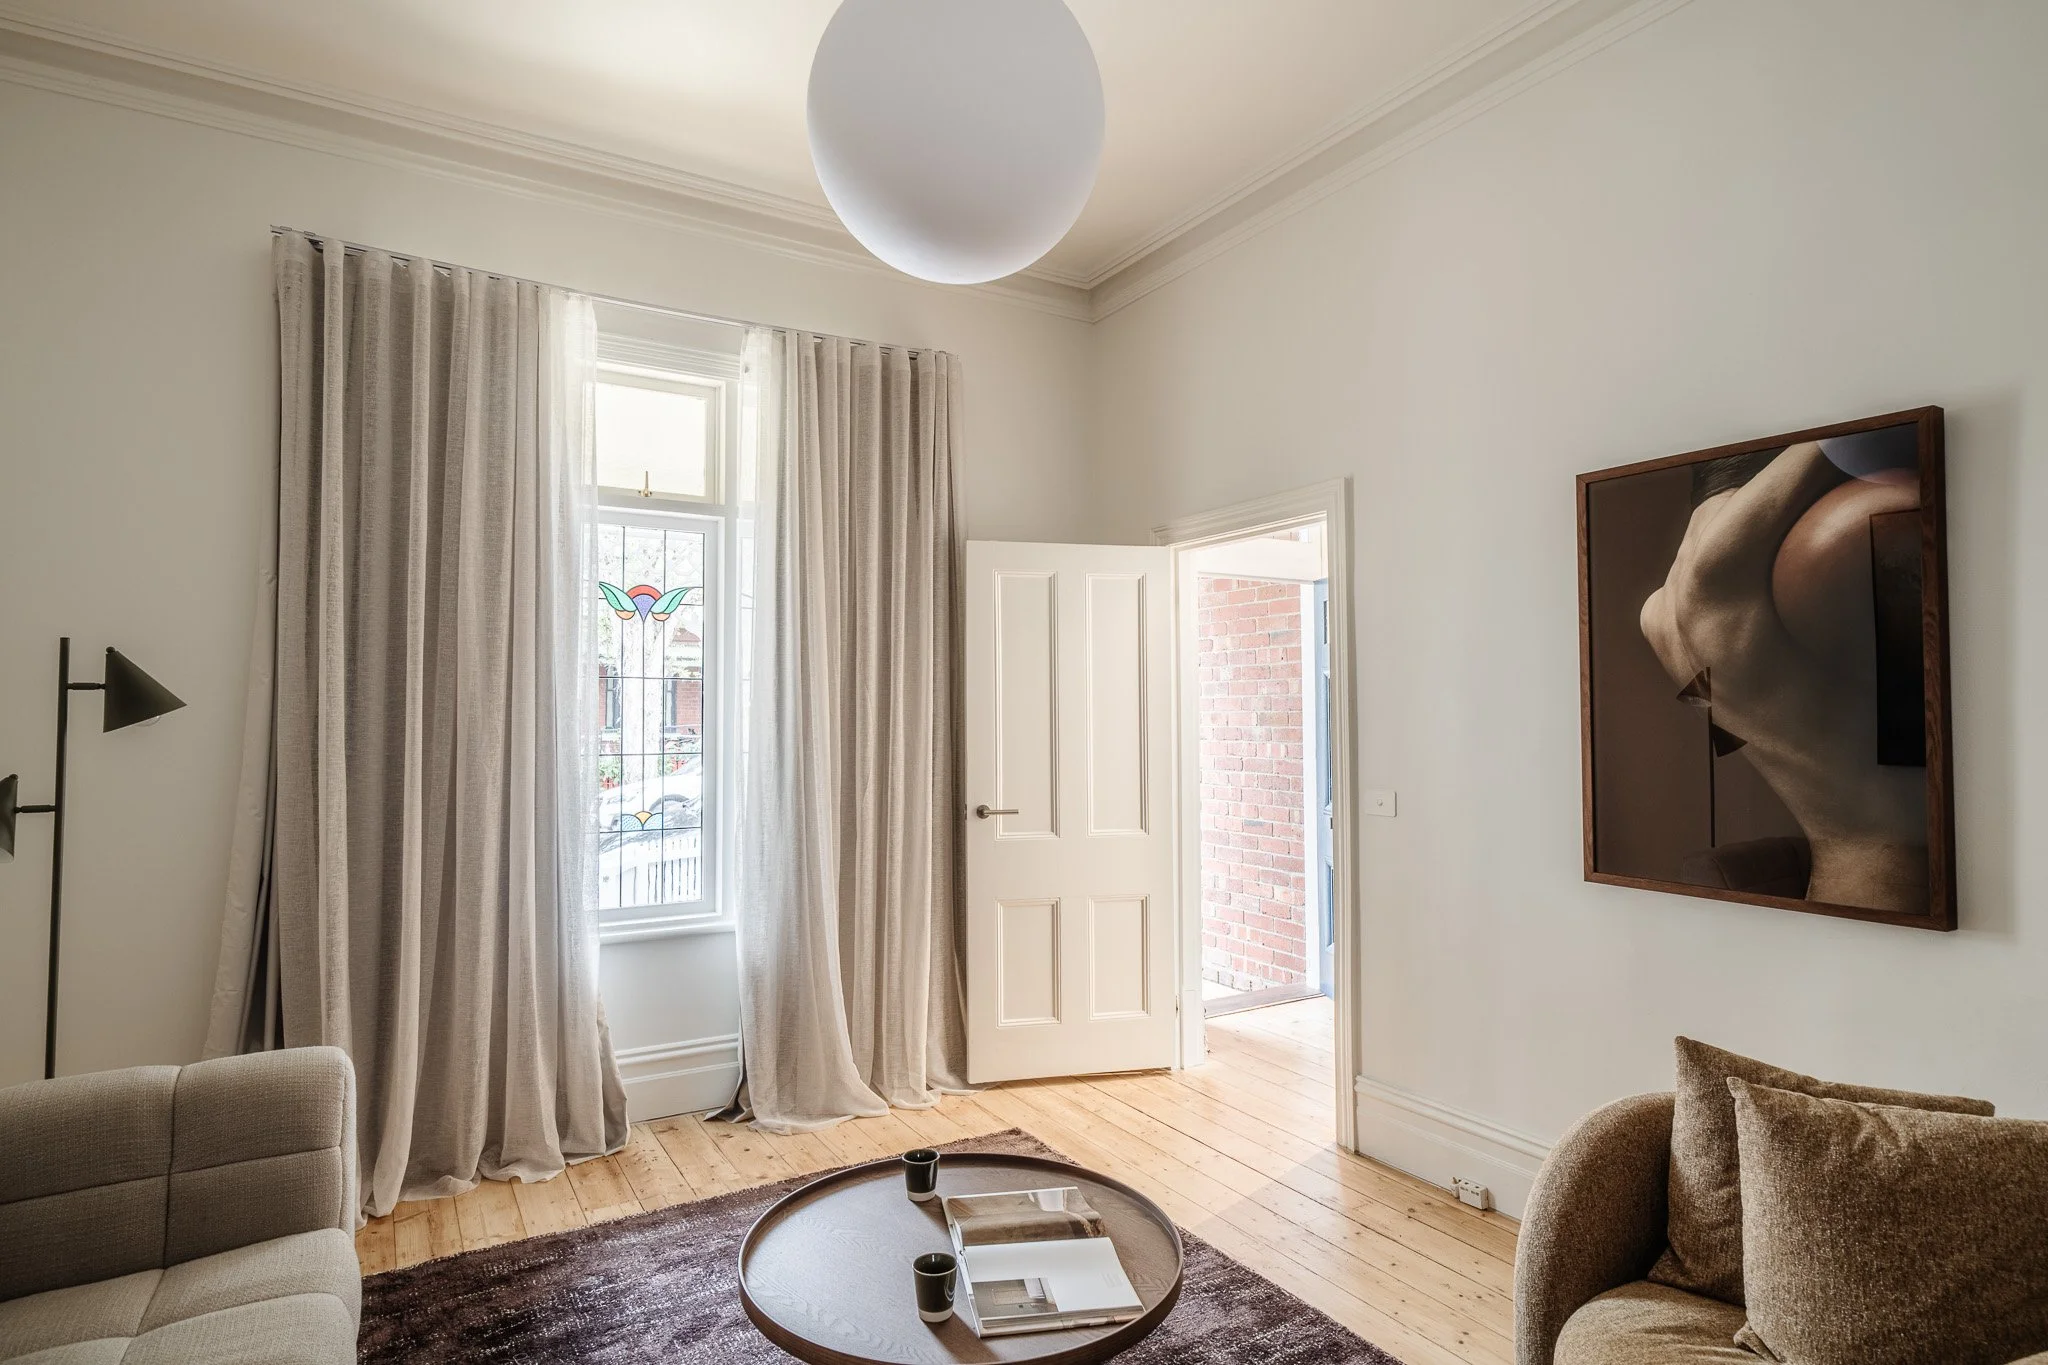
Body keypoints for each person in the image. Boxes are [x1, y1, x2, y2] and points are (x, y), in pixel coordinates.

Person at [1638, 439, 1928, 915]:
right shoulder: (1722, 561)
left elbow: (1723, 727)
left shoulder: (1655, 617)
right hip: (1907, 881)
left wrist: (1804, 726)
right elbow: (1845, 438)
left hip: (1832, 877)